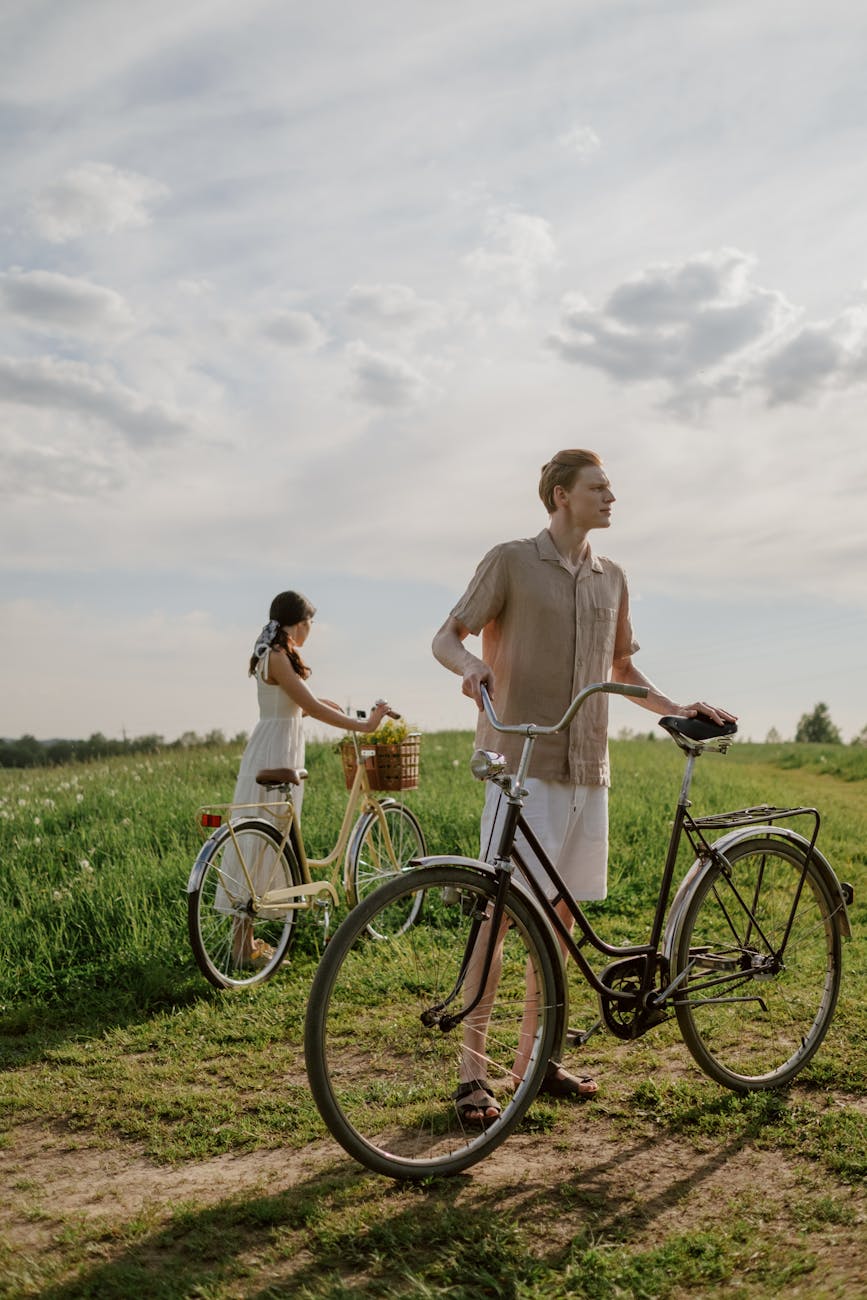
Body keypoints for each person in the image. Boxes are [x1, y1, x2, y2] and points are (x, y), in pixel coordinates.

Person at [432, 449, 736, 1124]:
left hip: (586, 767)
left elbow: (621, 665)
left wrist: (677, 706)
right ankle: (472, 1075)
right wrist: (470, 667)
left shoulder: (612, 577)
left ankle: (535, 1063)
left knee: (562, 924)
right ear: (560, 495)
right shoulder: (509, 561)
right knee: (501, 916)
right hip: (519, 764)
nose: (611, 497)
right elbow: (446, 636)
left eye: (610, 488)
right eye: (598, 488)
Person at [228, 589, 395, 967]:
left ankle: (246, 943)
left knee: (267, 840)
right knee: (264, 841)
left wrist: (321, 707)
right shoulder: (275, 656)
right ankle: (243, 945)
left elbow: (291, 709)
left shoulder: (270, 654)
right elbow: (309, 706)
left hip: (274, 743)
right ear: (299, 623)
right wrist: (364, 725)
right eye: (311, 624)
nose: (311, 631)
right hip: (275, 750)